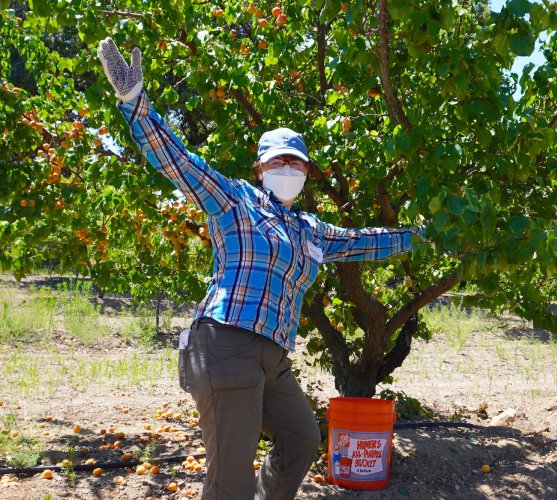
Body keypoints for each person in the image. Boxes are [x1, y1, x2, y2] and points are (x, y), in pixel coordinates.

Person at [97, 38, 422, 499]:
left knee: (302, 439)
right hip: (226, 344)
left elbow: (364, 242)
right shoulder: (236, 200)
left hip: (272, 360)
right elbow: (180, 164)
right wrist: (135, 105)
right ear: (260, 168)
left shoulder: (309, 229)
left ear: (306, 174)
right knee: (230, 482)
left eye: (297, 162)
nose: (288, 167)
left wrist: (424, 237)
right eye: (279, 160)